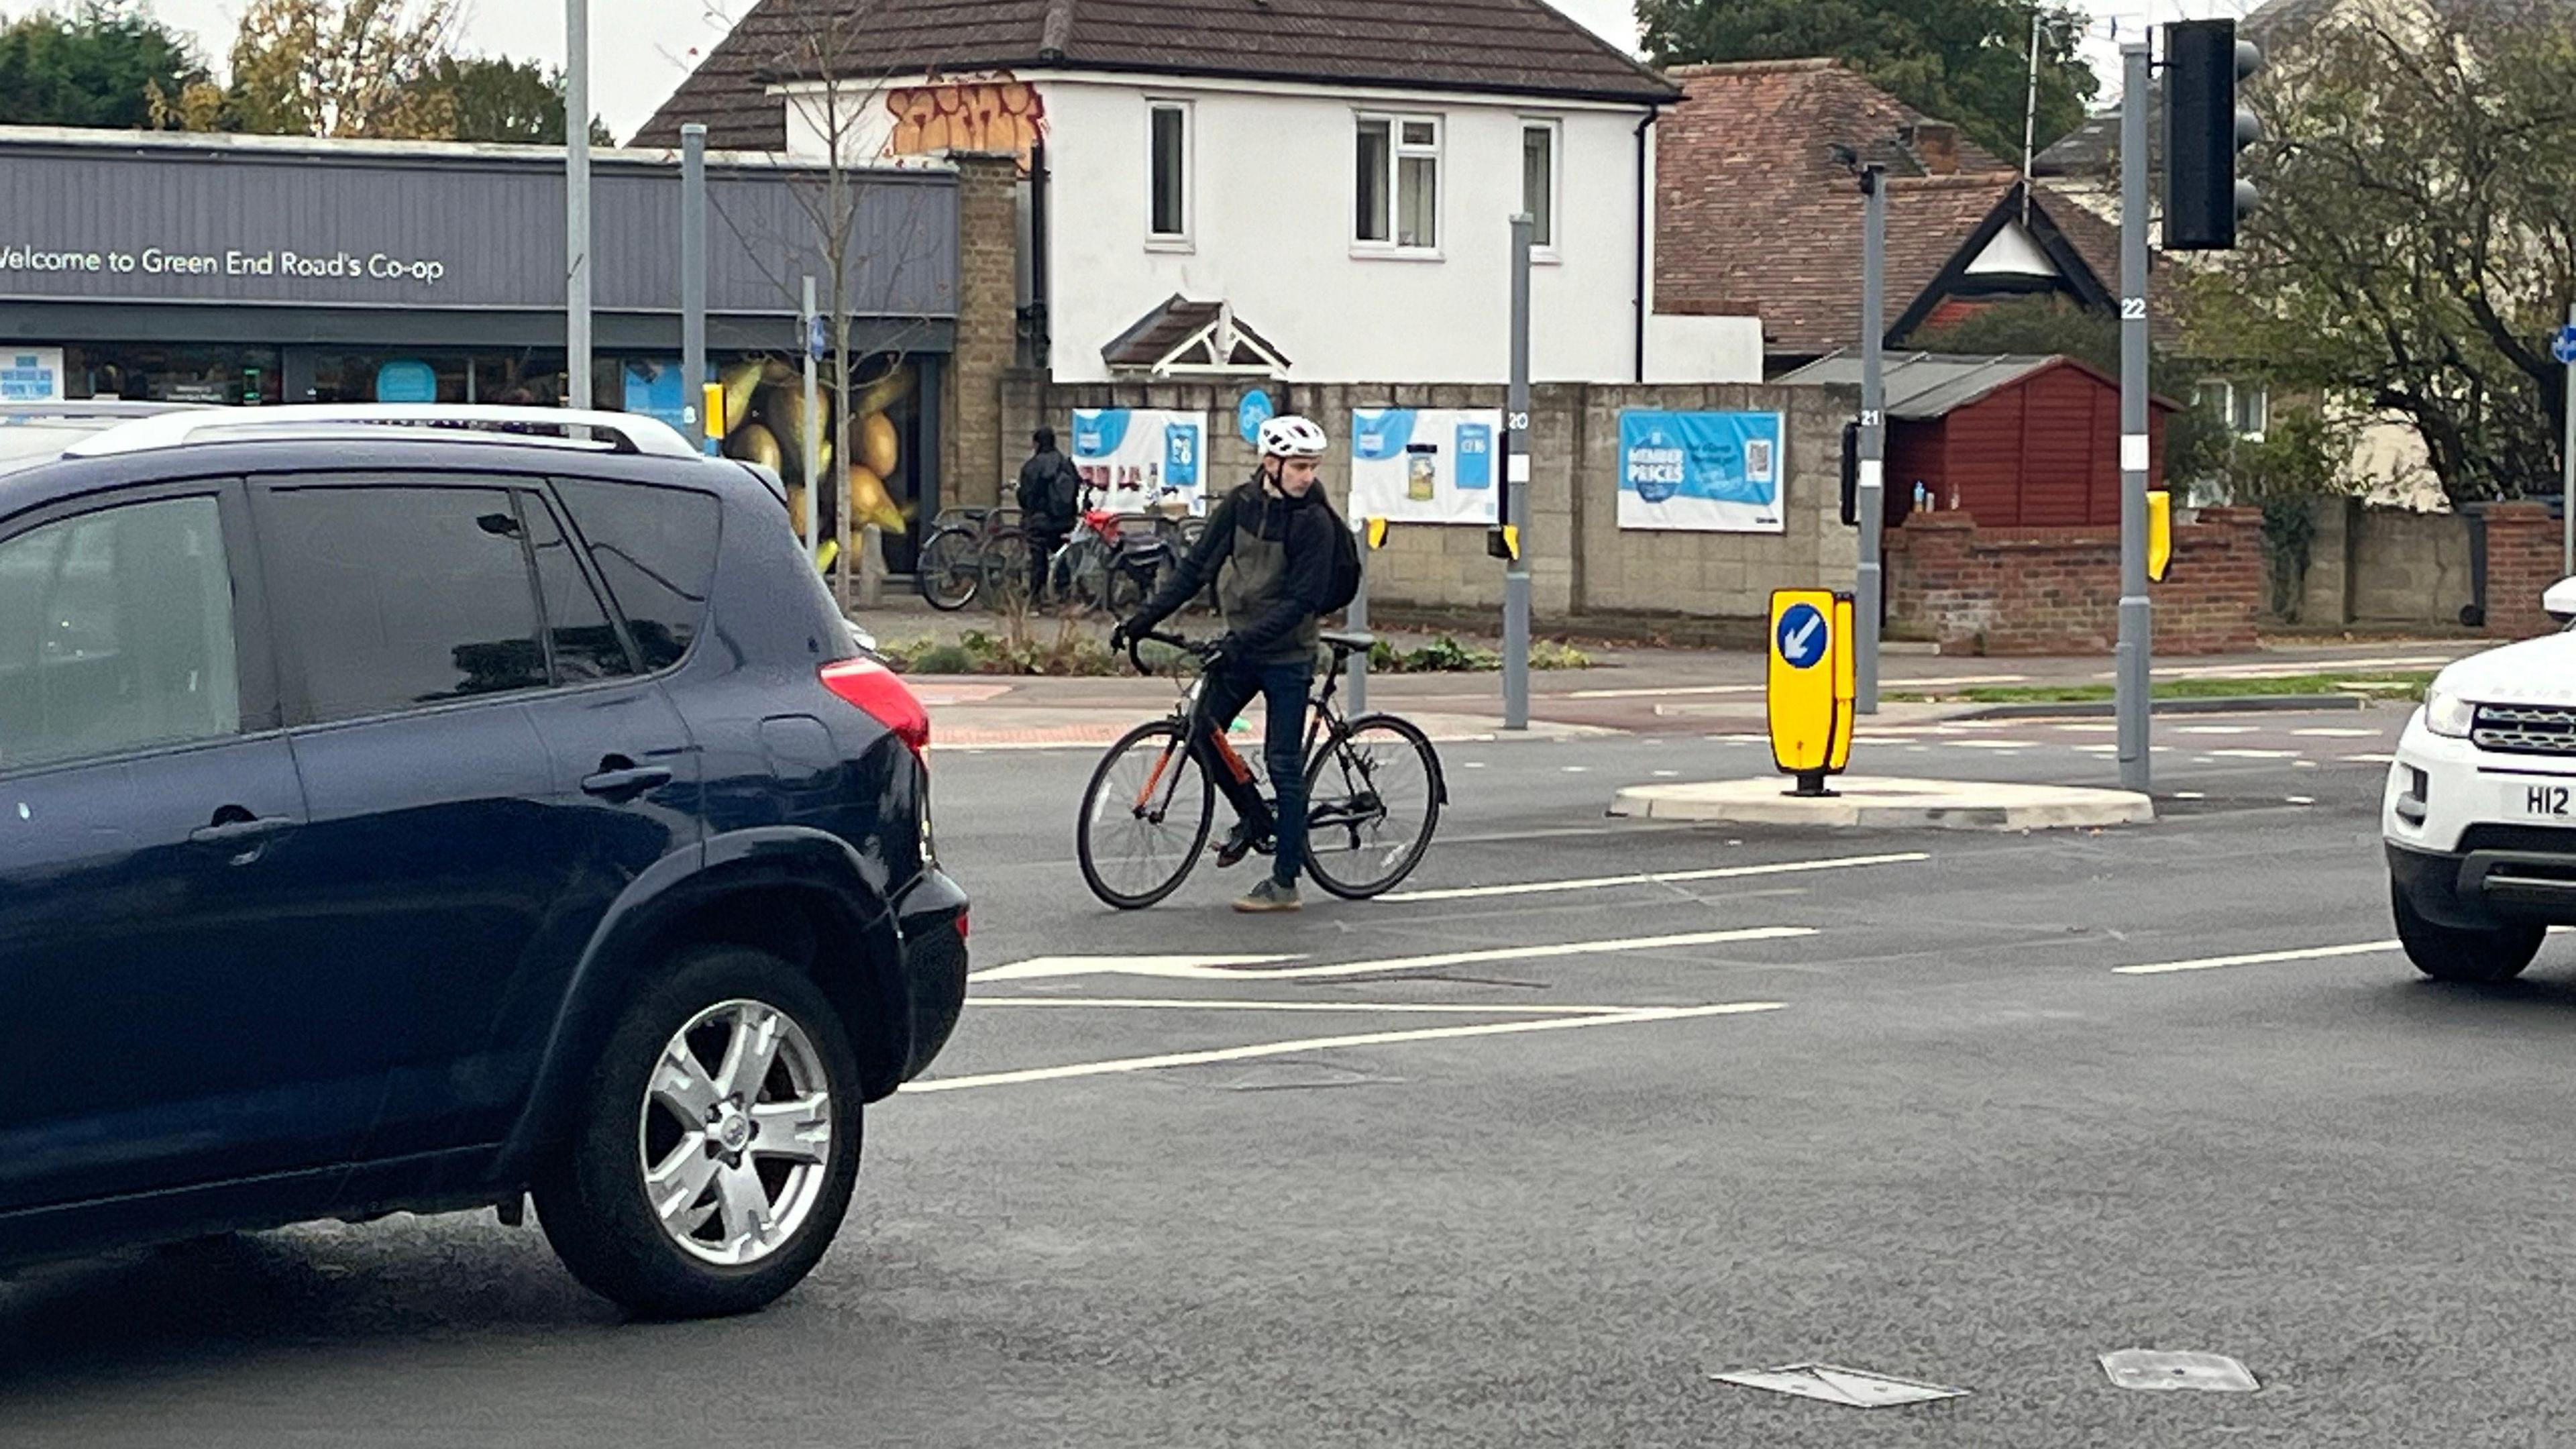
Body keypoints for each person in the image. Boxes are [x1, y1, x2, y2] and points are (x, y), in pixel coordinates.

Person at [1115, 415, 1336, 914]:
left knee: (1283, 764)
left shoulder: (1314, 522)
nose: (1307, 476)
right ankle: (1256, 818)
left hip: (1289, 654)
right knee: (1202, 729)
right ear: (1270, 463)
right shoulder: (1240, 504)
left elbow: (1302, 602)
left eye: (1312, 467)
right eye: (1299, 466)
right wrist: (1141, 620)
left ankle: (1285, 882)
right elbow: (1196, 570)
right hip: (1242, 645)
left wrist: (1238, 643)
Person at [1015, 427, 1083, 602]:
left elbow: (1026, 496)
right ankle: (1064, 593)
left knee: (1038, 557)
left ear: (1036, 443)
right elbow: (1075, 489)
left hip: (1040, 521)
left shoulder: (1033, 466)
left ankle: (1036, 595)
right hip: (1064, 520)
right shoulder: (1066, 463)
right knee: (1060, 553)